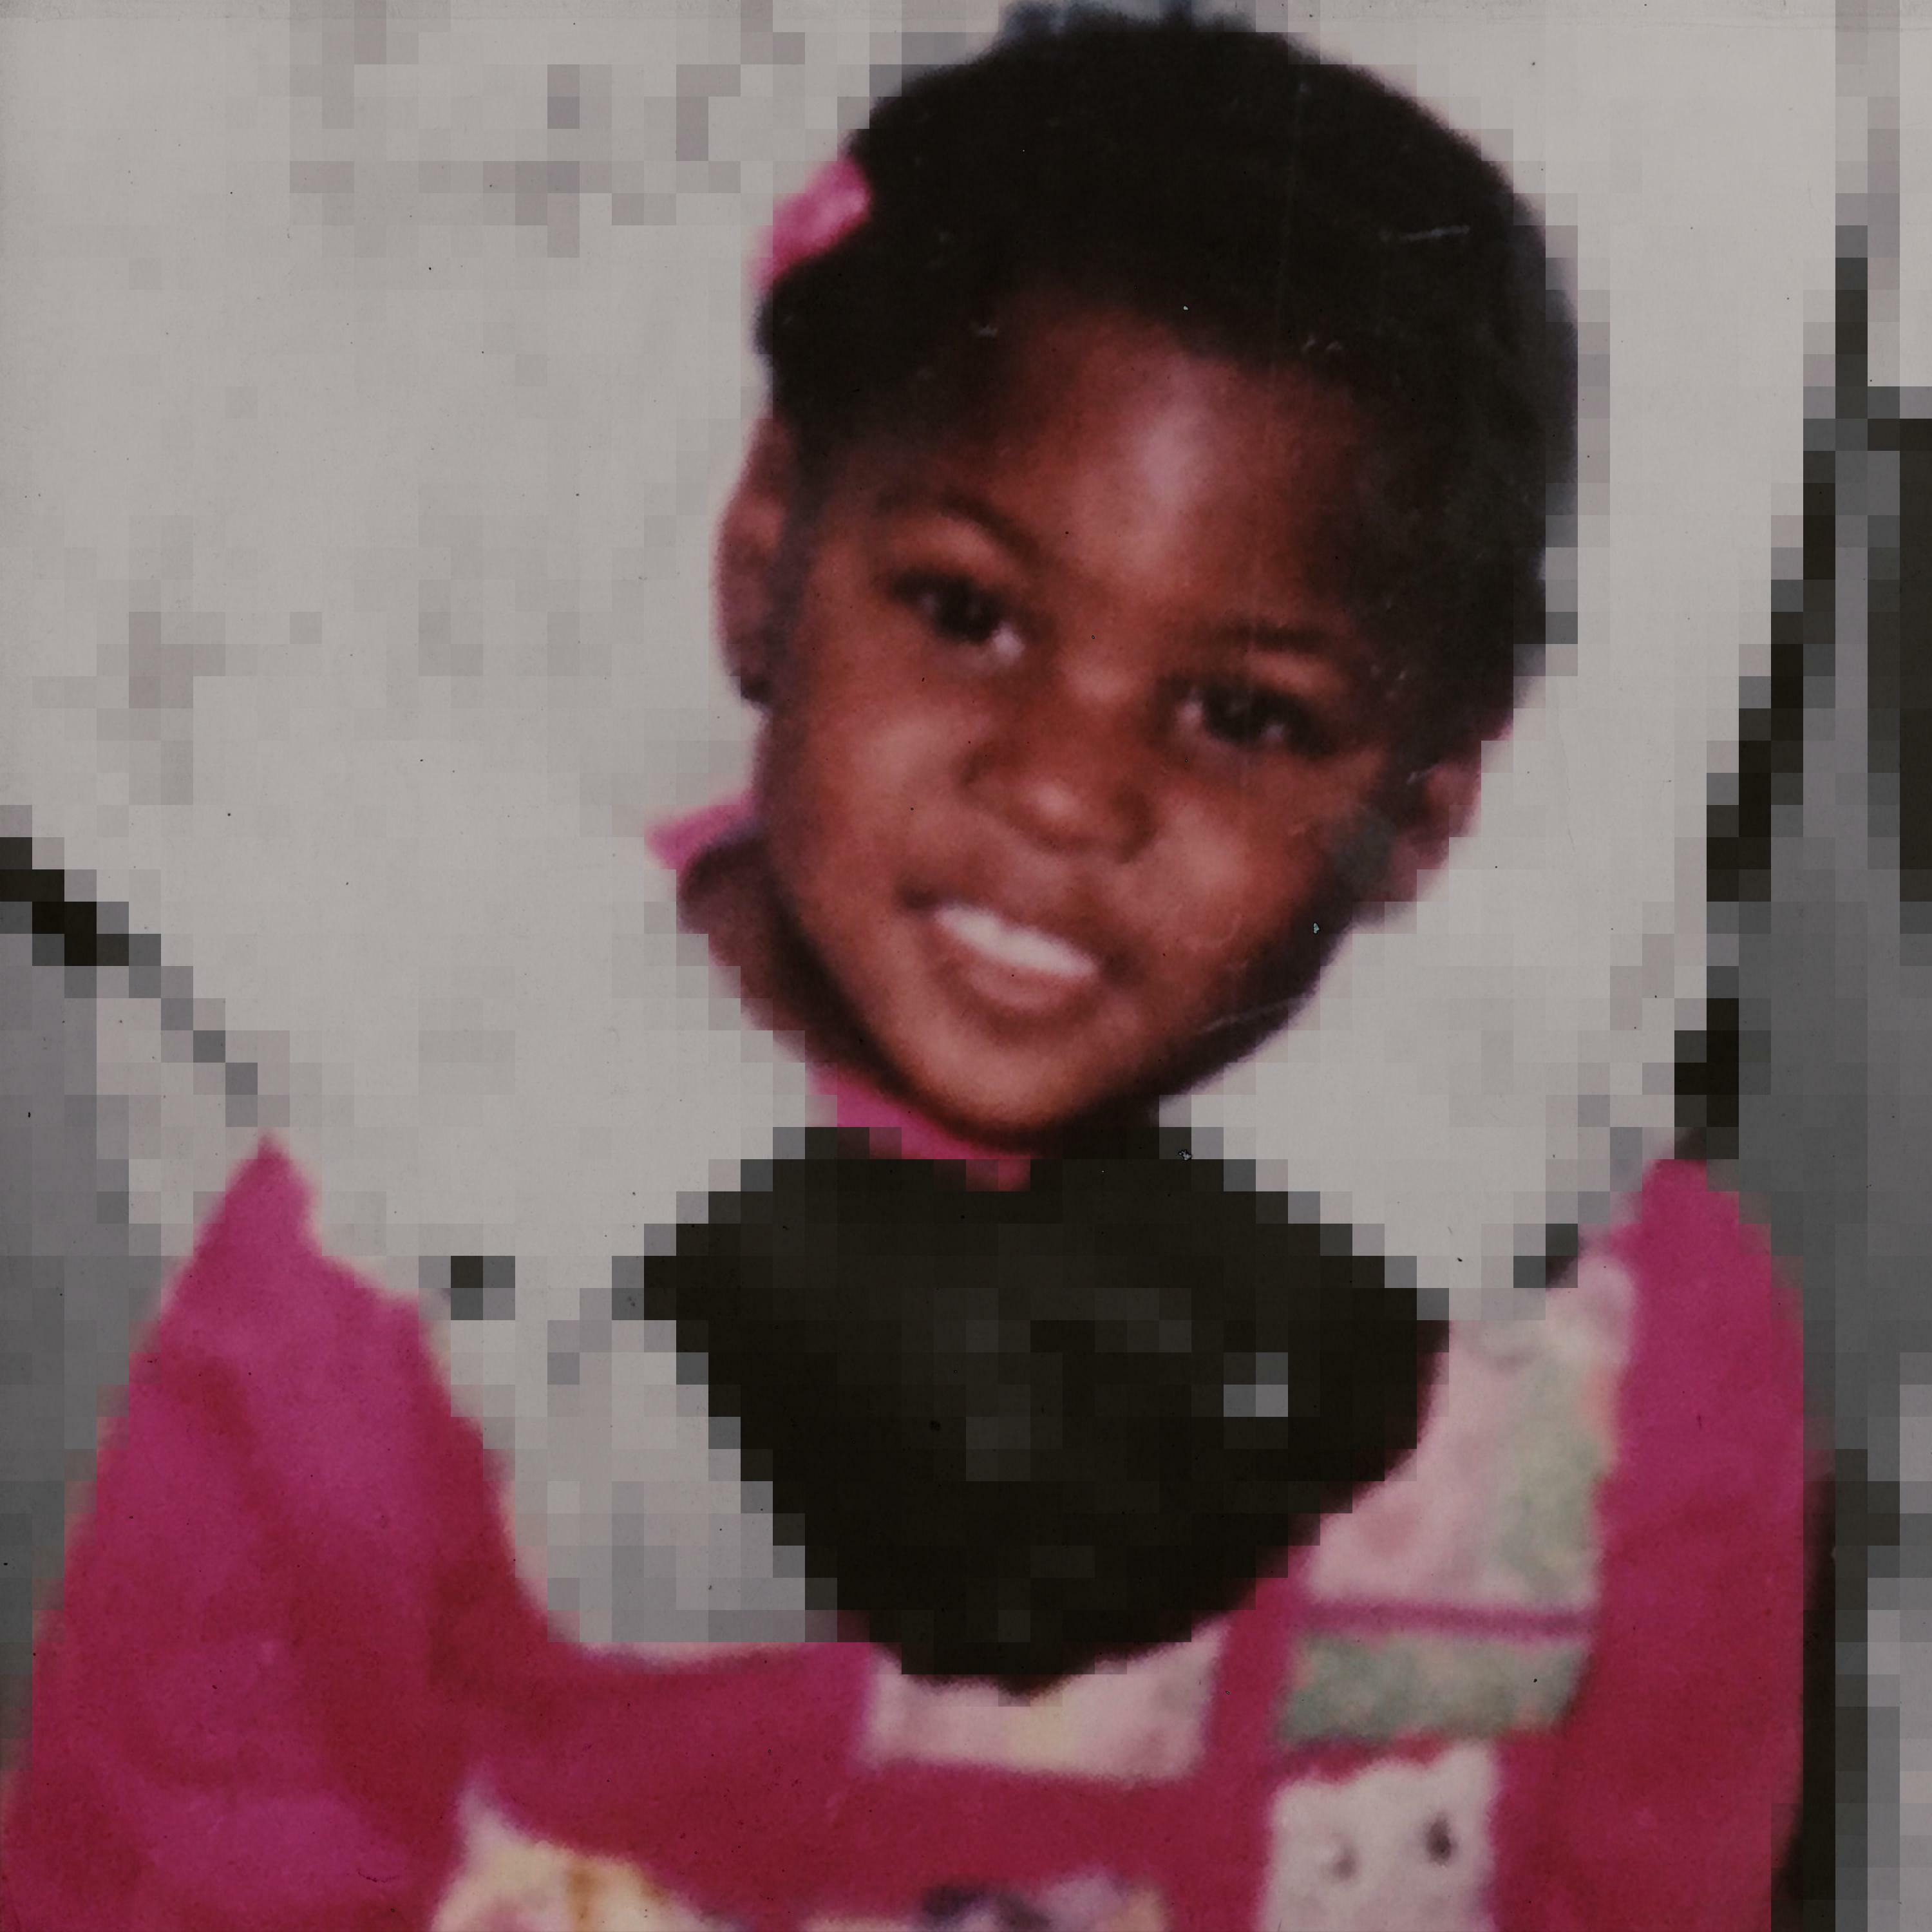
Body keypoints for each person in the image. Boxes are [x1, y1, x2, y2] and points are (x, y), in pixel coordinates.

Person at [0, 10, 1806, 1929]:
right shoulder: (409, 1255)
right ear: (763, 554)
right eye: (966, 612)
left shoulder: (1623, 1337)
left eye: (1242, 714)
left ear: (1431, 806)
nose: (1065, 789)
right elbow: (176, 1872)